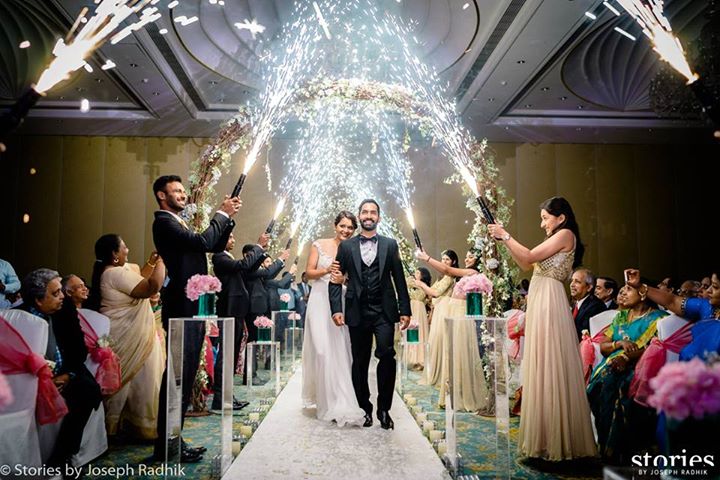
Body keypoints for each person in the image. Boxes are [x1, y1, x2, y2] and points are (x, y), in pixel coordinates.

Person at [488, 196, 596, 460]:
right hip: (541, 298)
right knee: (541, 363)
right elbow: (526, 264)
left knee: (550, 363)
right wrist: (503, 239)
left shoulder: (565, 234)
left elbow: (528, 256)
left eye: (546, 218)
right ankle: (546, 439)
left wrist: (505, 234)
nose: (542, 223)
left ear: (561, 218)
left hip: (549, 301)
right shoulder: (556, 237)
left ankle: (558, 442)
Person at [151, 174, 239, 462]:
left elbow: (213, 246)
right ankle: (167, 444)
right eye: (176, 190)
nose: (182, 194)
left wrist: (228, 219)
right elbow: (203, 241)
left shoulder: (178, 222)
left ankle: (174, 440)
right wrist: (221, 213)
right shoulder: (164, 222)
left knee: (186, 376)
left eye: (182, 190)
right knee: (178, 375)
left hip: (192, 307)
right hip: (181, 307)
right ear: (161, 195)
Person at [329, 199, 411, 430]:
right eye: (365, 212)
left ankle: (384, 409)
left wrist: (405, 309)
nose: (368, 215)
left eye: (373, 212)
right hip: (356, 311)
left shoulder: (390, 245)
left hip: (384, 311)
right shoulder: (346, 247)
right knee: (360, 361)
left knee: (387, 355)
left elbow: (399, 278)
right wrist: (336, 309)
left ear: (378, 217)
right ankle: (364, 408)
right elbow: (335, 279)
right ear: (359, 216)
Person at [18, 269, 102, 467]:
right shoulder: (20, 317)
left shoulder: (66, 309)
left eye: (61, 291)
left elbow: (79, 350)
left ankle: (62, 457)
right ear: (38, 300)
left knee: (87, 391)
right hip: (30, 376)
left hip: (66, 368)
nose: (63, 296)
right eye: (56, 293)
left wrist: (67, 375)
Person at [87, 234, 166, 440]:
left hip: (125, 332)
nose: (127, 250)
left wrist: (151, 263)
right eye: (124, 247)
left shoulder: (110, 272)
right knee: (143, 378)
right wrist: (163, 261)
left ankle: (122, 423)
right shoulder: (115, 274)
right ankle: (140, 425)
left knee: (135, 379)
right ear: (114, 254)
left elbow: (138, 279)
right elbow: (150, 287)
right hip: (130, 333)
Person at [586, 283, 666, 463]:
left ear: (643, 294)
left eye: (628, 289)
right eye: (622, 290)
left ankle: (622, 452)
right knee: (596, 389)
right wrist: (619, 344)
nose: (622, 293)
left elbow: (654, 348)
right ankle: (605, 447)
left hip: (642, 366)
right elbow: (604, 346)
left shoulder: (659, 319)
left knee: (620, 388)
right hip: (611, 363)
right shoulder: (621, 316)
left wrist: (626, 358)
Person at [301, 211, 366, 426]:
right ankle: (324, 400)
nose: (346, 230)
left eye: (350, 228)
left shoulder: (354, 248)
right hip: (319, 299)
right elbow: (308, 273)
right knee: (321, 349)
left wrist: (343, 279)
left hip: (341, 301)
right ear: (335, 225)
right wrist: (326, 270)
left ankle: (339, 400)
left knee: (339, 350)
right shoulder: (319, 244)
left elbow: (357, 277)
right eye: (342, 226)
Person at [417, 248, 490, 413]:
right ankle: (452, 394)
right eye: (467, 256)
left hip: (460, 314)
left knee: (459, 353)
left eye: (471, 257)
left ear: (478, 260)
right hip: (454, 312)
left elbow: (447, 270)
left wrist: (427, 258)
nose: (467, 259)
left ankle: (461, 395)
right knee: (452, 353)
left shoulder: (472, 273)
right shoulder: (466, 274)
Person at [210, 232, 267, 410]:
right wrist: (258, 246)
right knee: (227, 355)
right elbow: (243, 265)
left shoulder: (227, 257)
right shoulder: (219, 257)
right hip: (230, 310)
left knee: (233, 355)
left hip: (237, 311)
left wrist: (261, 252)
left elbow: (248, 270)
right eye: (230, 237)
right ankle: (220, 398)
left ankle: (227, 395)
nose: (233, 240)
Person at [624, 269, 720, 361]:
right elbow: (672, 301)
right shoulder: (707, 307)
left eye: (715, 287)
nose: (709, 290)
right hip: (688, 367)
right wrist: (640, 287)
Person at [414, 250, 456, 386]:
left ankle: (443, 375)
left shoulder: (449, 277)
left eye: (447, 260)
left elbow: (435, 293)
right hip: (438, 309)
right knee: (435, 341)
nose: (444, 262)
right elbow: (430, 293)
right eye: (443, 259)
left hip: (444, 309)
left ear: (453, 262)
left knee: (440, 340)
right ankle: (435, 372)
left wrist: (422, 284)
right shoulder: (442, 277)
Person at [570, 268, 607, 341]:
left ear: (589, 287)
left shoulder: (596, 306)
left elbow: (584, 333)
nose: (572, 285)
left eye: (577, 282)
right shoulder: (575, 304)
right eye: (572, 281)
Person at [405, 267, 431, 369]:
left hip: (419, 310)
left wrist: (417, 284)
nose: (415, 274)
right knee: (411, 331)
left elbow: (420, 296)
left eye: (418, 273)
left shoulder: (424, 286)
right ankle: (412, 358)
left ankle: (420, 360)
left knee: (420, 333)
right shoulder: (413, 284)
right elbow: (407, 284)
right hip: (412, 308)